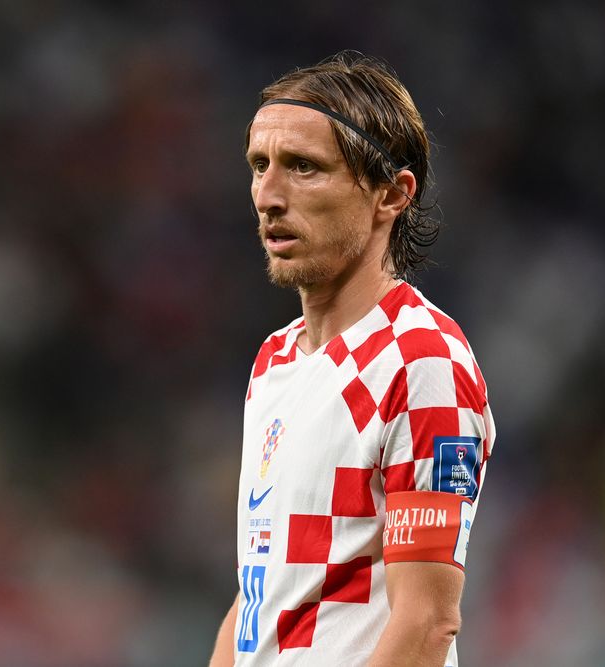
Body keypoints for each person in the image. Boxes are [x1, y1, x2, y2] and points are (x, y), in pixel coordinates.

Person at [208, 52, 495, 667]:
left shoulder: (422, 362)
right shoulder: (275, 361)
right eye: (261, 166)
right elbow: (261, 595)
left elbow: (427, 622)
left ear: (392, 194)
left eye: (304, 168)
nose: (269, 196)